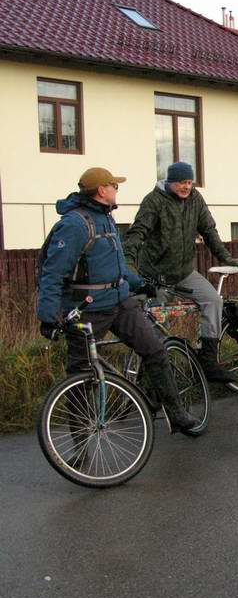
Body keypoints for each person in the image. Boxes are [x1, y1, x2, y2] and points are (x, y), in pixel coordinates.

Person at [37, 167, 202, 434]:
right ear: (102, 190)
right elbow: (52, 273)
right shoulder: (75, 225)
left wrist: (141, 284)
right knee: (80, 376)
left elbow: (117, 267)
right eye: (114, 186)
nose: (117, 190)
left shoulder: (107, 219)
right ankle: (80, 443)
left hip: (119, 302)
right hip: (87, 309)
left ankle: (177, 414)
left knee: (155, 350)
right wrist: (48, 317)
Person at [123, 162, 238, 383]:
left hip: (183, 273)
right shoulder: (154, 201)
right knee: (156, 328)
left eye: (189, 182)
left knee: (213, 301)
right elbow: (137, 233)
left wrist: (226, 257)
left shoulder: (195, 199)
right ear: (170, 182)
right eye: (182, 182)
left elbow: (209, 230)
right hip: (155, 275)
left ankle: (208, 361)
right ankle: (151, 382)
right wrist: (129, 263)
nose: (186, 187)